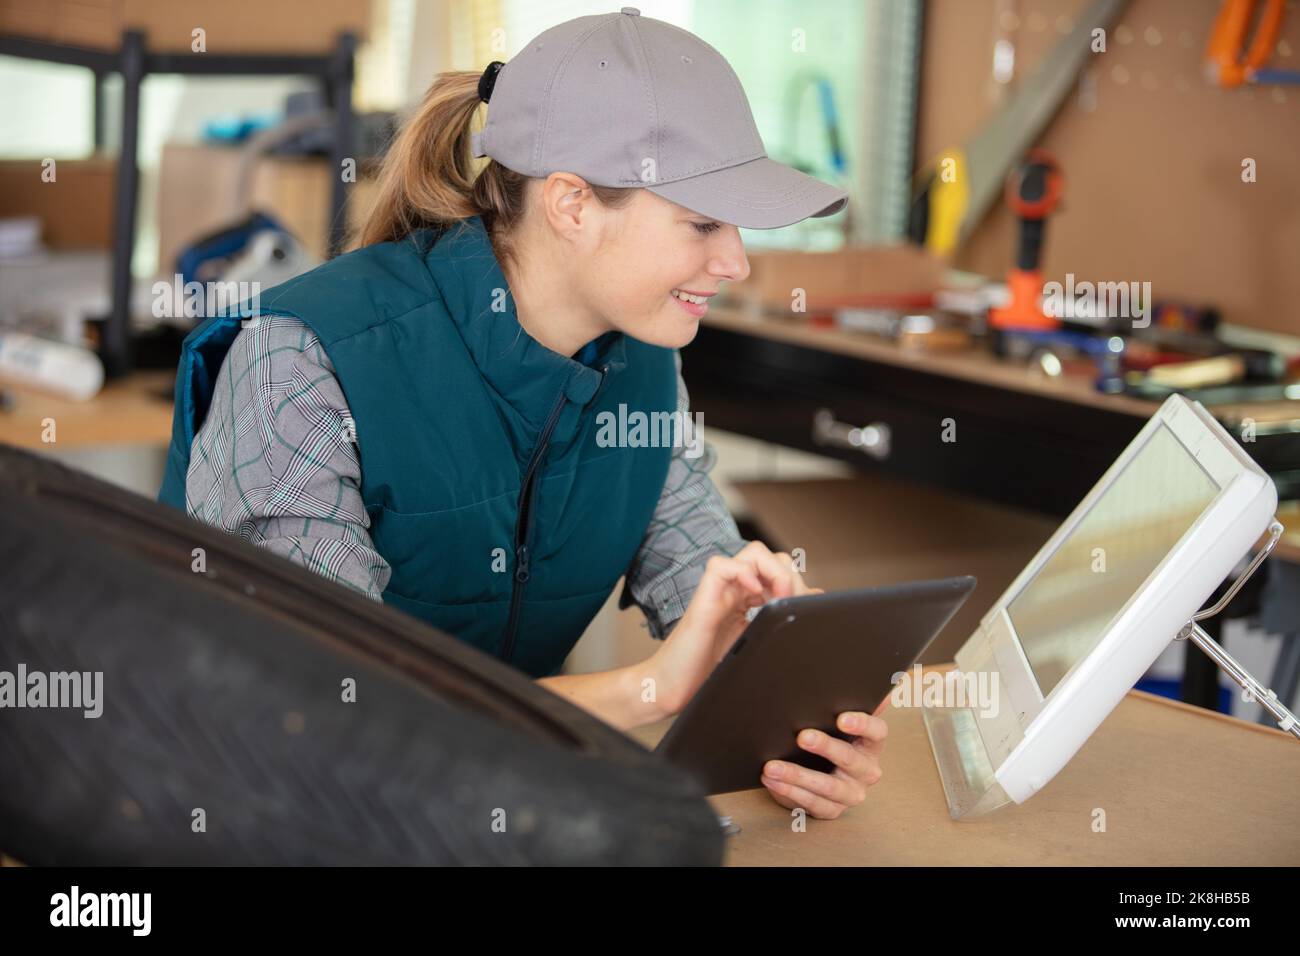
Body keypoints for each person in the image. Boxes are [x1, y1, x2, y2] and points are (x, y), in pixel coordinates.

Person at [159, 8, 884, 820]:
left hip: (484, 811)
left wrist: (799, 713)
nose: (736, 262)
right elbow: (327, 712)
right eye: (702, 223)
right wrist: (645, 689)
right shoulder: (300, 359)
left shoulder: (642, 363)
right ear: (571, 204)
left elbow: (708, 598)